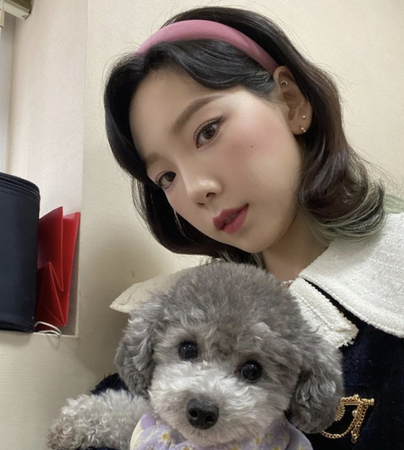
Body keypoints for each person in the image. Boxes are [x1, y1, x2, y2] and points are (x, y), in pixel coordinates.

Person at [102, 6, 404, 450]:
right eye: (166, 177)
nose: (195, 189)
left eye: (207, 131)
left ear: (291, 102)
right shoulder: (185, 306)